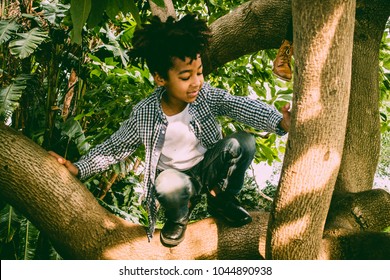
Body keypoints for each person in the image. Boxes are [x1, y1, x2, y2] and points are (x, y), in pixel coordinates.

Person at [50, 14, 291, 247]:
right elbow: (115, 147)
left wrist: (279, 121)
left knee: (244, 143)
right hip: (178, 181)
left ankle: (222, 199)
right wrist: (80, 168)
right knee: (165, 183)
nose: (196, 81)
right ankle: (179, 217)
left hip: (209, 168)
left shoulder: (204, 96)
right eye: (186, 76)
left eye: (199, 72)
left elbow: (238, 105)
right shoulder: (145, 114)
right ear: (160, 78)